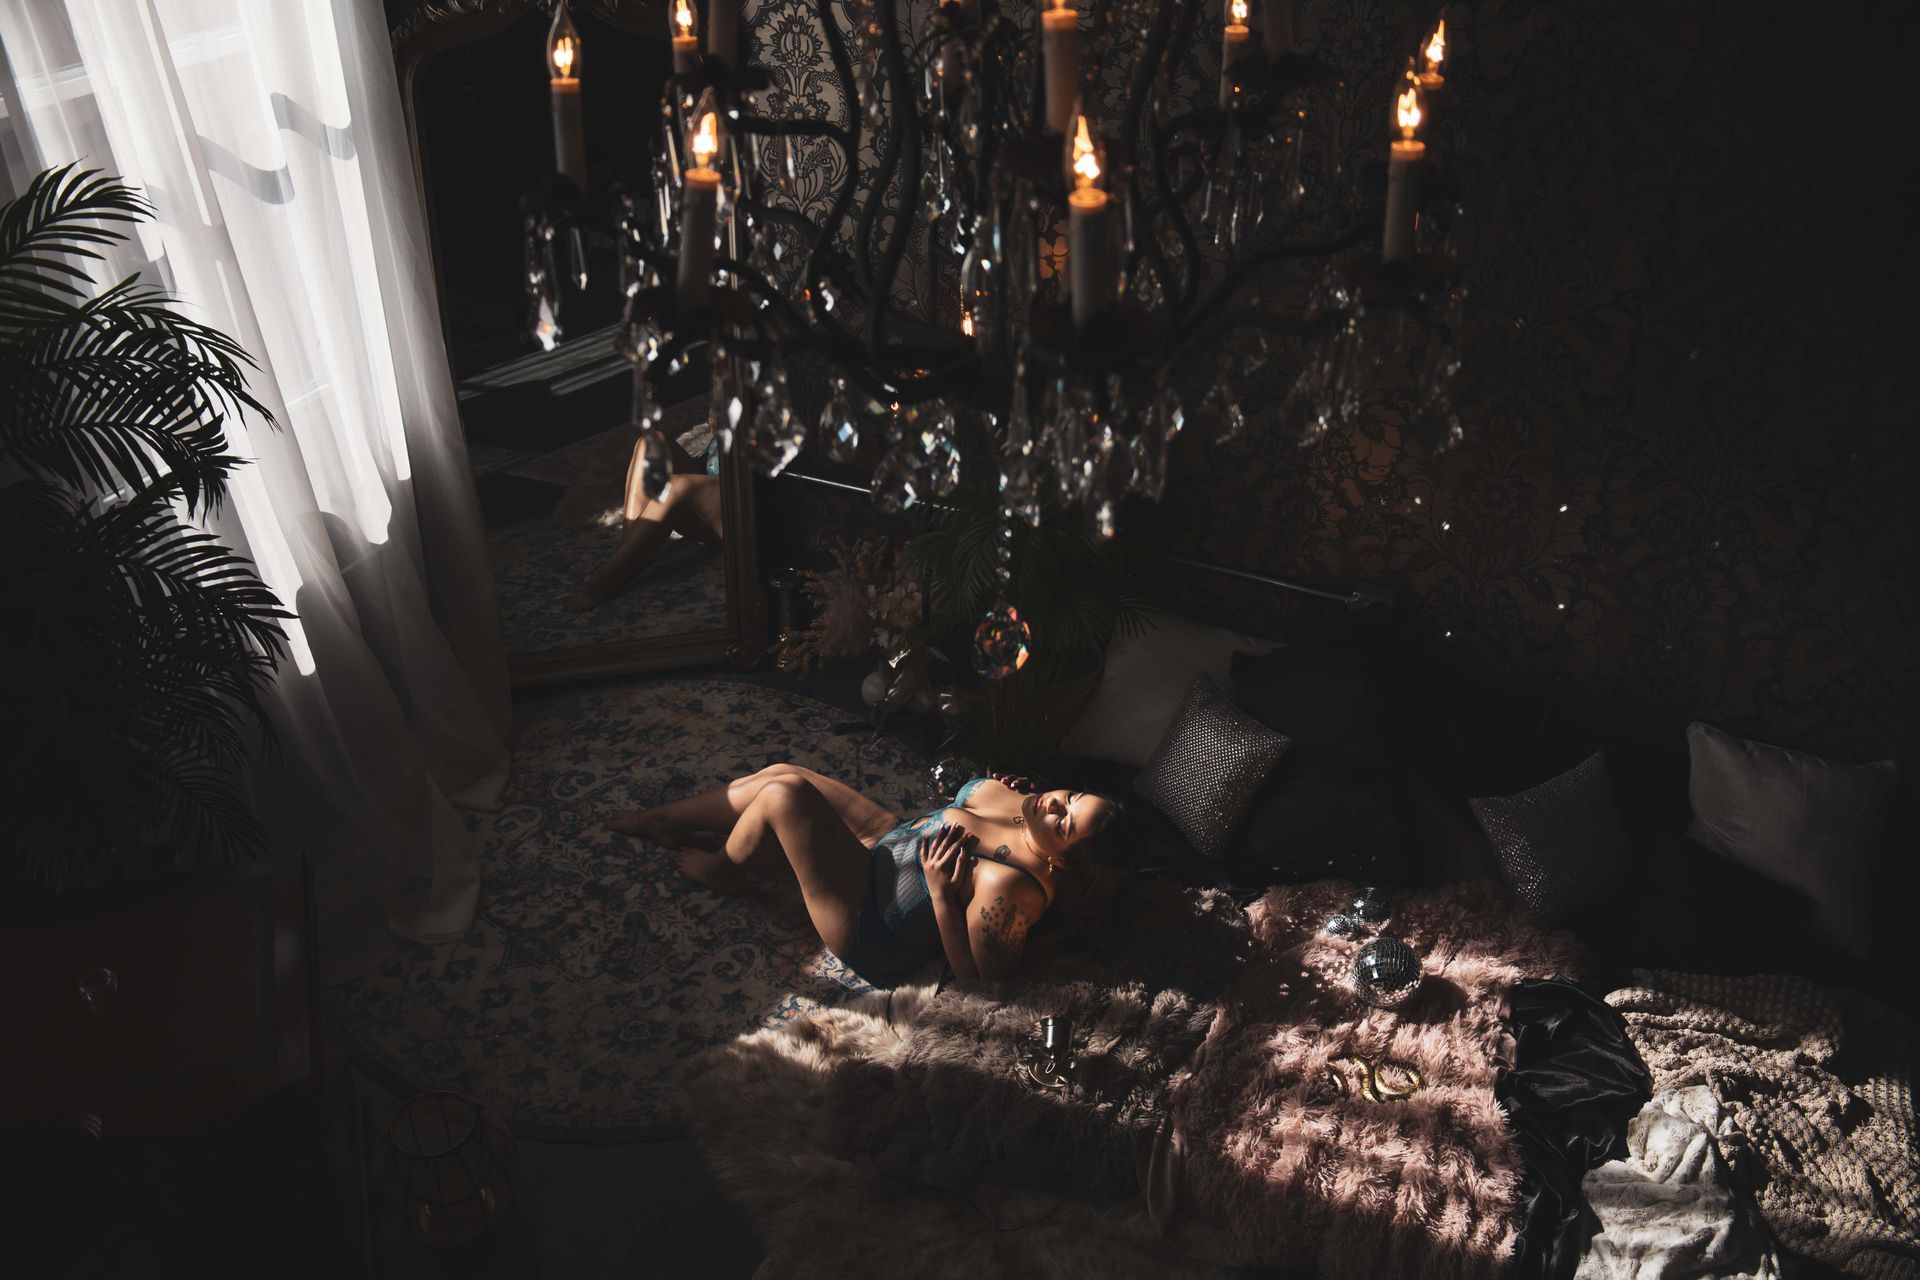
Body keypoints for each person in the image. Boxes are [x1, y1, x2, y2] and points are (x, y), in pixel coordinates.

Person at [606, 765, 1118, 986]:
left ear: (1064, 862)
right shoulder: (1032, 803)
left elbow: (982, 988)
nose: (1054, 804)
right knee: (787, 774)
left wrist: (941, 896)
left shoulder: (1009, 890)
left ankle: (724, 870)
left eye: (1066, 824)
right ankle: (665, 820)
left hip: (872, 919)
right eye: (1071, 797)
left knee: (784, 798)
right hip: (889, 842)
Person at [573, 430, 722, 609]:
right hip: (713, 471)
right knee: (651, 442)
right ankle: (629, 552)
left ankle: (611, 573)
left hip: (742, 504)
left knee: (674, 487)